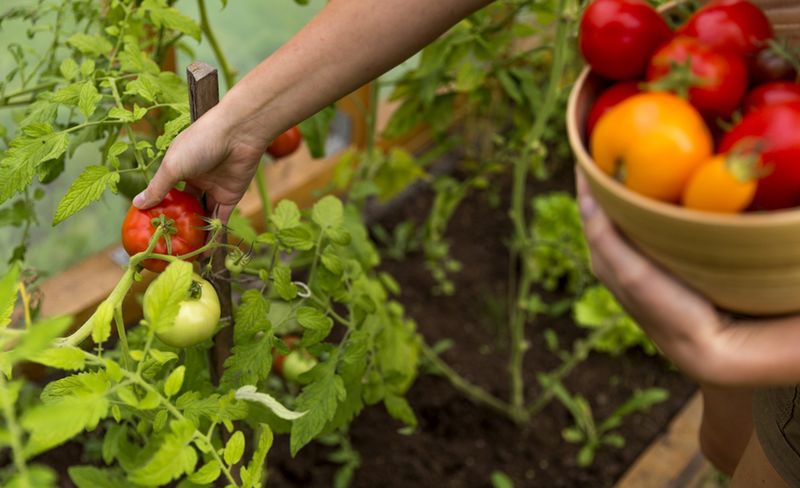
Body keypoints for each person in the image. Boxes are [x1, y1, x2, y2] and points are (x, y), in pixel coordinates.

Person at [133, 0, 800, 485]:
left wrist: (757, 351)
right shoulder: (728, 77)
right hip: (740, 188)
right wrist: (246, 119)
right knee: (723, 440)